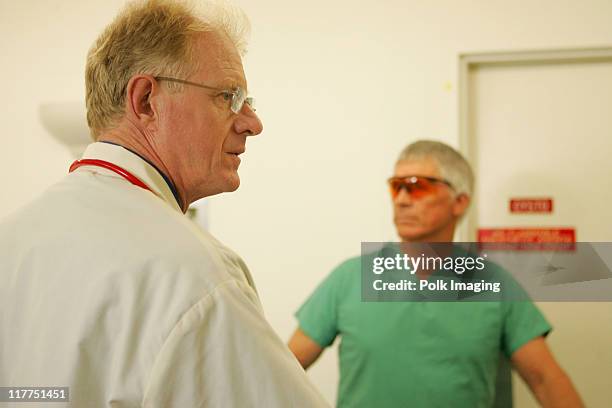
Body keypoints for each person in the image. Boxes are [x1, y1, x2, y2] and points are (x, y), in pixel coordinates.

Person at [0, 1, 329, 406]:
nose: (252, 123)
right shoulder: (196, 276)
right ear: (145, 101)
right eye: (229, 96)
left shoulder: (12, 239)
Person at [288, 140, 583, 407]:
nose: (402, 199)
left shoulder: (494, 284)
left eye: (418, 186)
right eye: (396, 186)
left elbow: (545, 380)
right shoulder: (349, 278)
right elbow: (284, 366)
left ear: (459, 202)